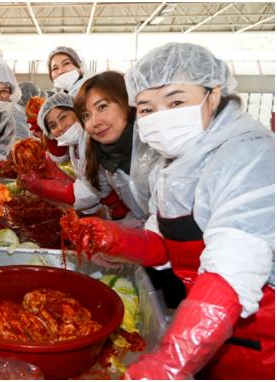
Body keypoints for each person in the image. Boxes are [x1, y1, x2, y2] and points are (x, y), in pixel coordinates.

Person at [68, 43, 275, 379]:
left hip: (262, 342)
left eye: (176, 102)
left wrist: (166, 363)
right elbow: (163, 241)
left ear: (214, 95)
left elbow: (232, 271)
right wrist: (116, 241)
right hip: (209, 333)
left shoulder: (251, 155)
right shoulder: (175, 165)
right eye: (148, 109)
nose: (161, 116)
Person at [73, 71, 161, 223]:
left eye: (102, 107)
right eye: (86, 115)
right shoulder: (104, 155)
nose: (94, 122)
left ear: (127, 101)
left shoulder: (157, 149)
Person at [19, 93, 110, 215]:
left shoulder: (92, 138)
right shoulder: (75, 144)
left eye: (63, 117)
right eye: (53, 126)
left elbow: (90, 193)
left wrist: (40, 186)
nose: (60, 127)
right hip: (105, 206)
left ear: (77, 111)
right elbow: (58, 158)